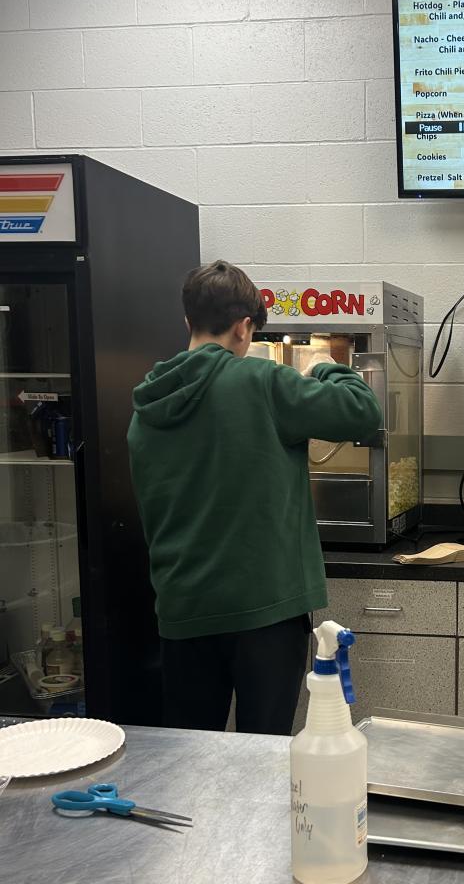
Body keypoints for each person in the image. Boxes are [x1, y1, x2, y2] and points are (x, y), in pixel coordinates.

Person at [128, 261, 382, 735]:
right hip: (265, 612)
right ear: (244, 327)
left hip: (183, 610)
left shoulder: (147, 406)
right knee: (263, 755)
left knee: (190, 756)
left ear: (188, 321)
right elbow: (363, 412)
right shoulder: (262, 381)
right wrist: (325, 366)